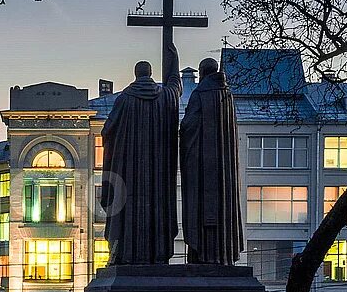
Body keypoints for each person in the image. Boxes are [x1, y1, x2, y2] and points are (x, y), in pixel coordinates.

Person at [100, 39, 182, 264]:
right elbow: (176, 85)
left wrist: (115, 147)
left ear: (136, 75)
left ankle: (124, 254)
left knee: (125, 213)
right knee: (156, 209)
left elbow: (108, 130)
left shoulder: (124, 99)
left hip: (128, 171)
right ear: (151, 74)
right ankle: (157, 255)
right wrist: (174, 58)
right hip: (157, 174)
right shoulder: (165, 97)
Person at [179, 57, 244, 265]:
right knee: (223, 208)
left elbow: (189, 125)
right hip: (223, 169)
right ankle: (223, 255)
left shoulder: (200, 94)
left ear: (203, 72)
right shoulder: (227, 95)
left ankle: (202, 255)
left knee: (201, 208)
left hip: (202, 164)